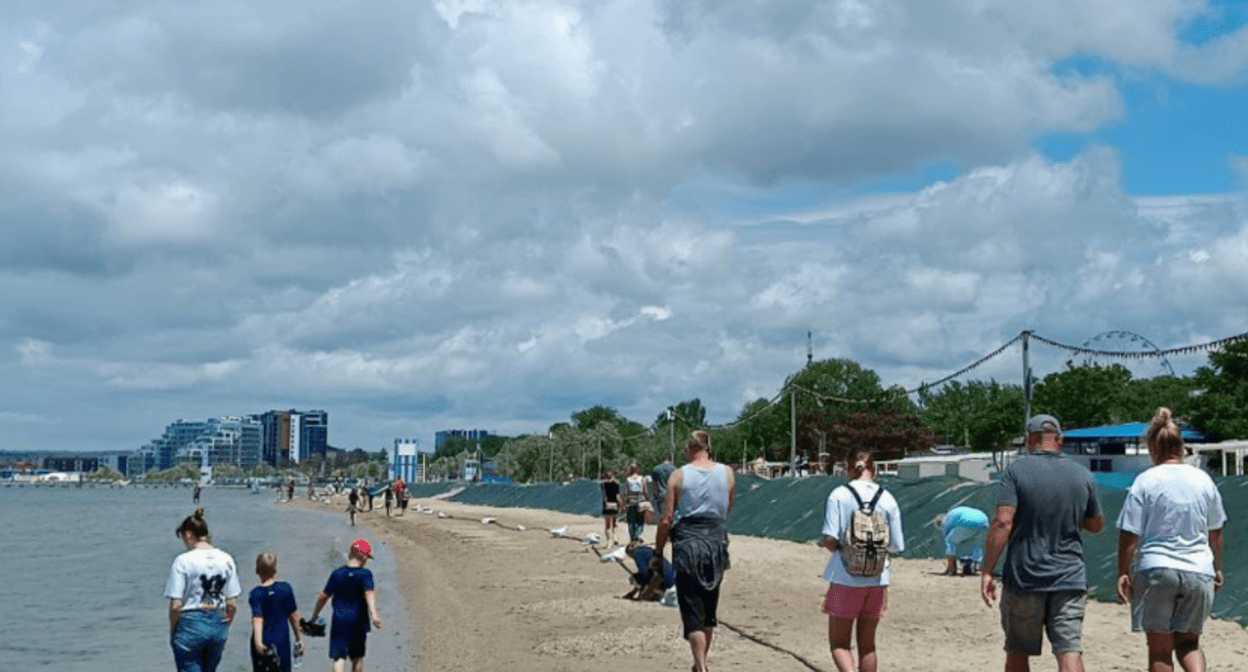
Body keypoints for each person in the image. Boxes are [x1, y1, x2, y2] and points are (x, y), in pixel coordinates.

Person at [981, 414, 1104, 672]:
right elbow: (1095, 525)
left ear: (1028, 439)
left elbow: (1003, 522)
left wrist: (987, 570)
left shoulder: (1015, 472)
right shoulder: (1083, 475)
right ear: (1058, 439)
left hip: (1026, 576)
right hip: (1069, 577)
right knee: (1069, 651)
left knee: (1018, 652)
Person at [1116, 407, 1227, 672]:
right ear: (1182, 447)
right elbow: (1216, 530)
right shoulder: (1204, 481)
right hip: (1198, 569)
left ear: (1154, 448)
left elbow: (1129, 533)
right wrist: (1217, 567)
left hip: (1156, 569)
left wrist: (1122, 571)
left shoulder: (1145, 481)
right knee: (1190, 645)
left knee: (1160, 649)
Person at [653, 430, 735, 672]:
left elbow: (666, 519)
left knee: (692, 612)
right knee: (709, 610)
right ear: (708, 447)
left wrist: (658, 552)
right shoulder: (727, 473)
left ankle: (701, 666)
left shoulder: (678, 476)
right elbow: (728, 506)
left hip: (688, 545)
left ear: (690, 448)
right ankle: (700, 665)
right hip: (717, 543)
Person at [821, 449, 905, 672]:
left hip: (844, 577)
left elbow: (830, 539)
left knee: (839, 643)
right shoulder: (887, 498)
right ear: (874, 469)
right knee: (868, 645)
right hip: (877, 580)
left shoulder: (839, 494)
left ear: (849, 469)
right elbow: (897, 545)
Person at [165, 507, 242, 672]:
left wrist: (173, 630)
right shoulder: (227, 559)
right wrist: (225, 624)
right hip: (218, 622)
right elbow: (233, 604)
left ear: (188, 535)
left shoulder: (183, 561)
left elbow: (176, 606)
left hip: (190, 623)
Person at [308, 540, 383, 672]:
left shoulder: (337, 573)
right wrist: (374, 615)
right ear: (364, 557)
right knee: (358, 656)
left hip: (339, 621)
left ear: (350, 553)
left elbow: (323, 597)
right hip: (359, 621)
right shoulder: (365, 574)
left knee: (338, 658)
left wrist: (314, 616)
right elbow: (369, 593)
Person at [250, 553, 305, 672]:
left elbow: (258, 619)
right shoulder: (285, 588)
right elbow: (293, 616)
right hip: (282, 641)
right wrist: (299, 638)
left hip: (264, 641)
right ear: (275, 569)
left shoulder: (256, 594)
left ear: (257, 570)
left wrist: (258, 642)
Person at [935, 505, 990, 576]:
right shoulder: (952, 514)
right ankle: (976, 565)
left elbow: (948, 540)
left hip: (968, 521)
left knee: (949, 540)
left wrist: (950, 554)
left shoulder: (944, 522)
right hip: (984, 520)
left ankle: (951, 568)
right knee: (976, 543)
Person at [648, 455, 676, 524]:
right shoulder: (674, 468)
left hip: (660, 494)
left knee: (662, 515)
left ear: (661, 460)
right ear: (669, 460)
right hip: (671, 494)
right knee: (671, 515)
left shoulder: (656, 469)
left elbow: (654, 484)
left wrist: (654, 494)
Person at [624, 461, 648, 541]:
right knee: (640, 521)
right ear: (638, 469)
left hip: (631, 502)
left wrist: (624, 502)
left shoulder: (628, 479)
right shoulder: (642, 479)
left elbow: (625, 492)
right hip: (640, 502)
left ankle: (632, 537)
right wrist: (648, 499)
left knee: (631, 522)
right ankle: (637, 535)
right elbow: (645, 491)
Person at [601, 469, 623, 546]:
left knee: (607, 526)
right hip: (614, 505)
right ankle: (615, 538)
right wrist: (621, 505)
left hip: (606, 505)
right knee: (614, 524)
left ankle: (608, 542)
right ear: (613, 476)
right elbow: (618, 497)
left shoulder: (603, 485)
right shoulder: (616, 485)